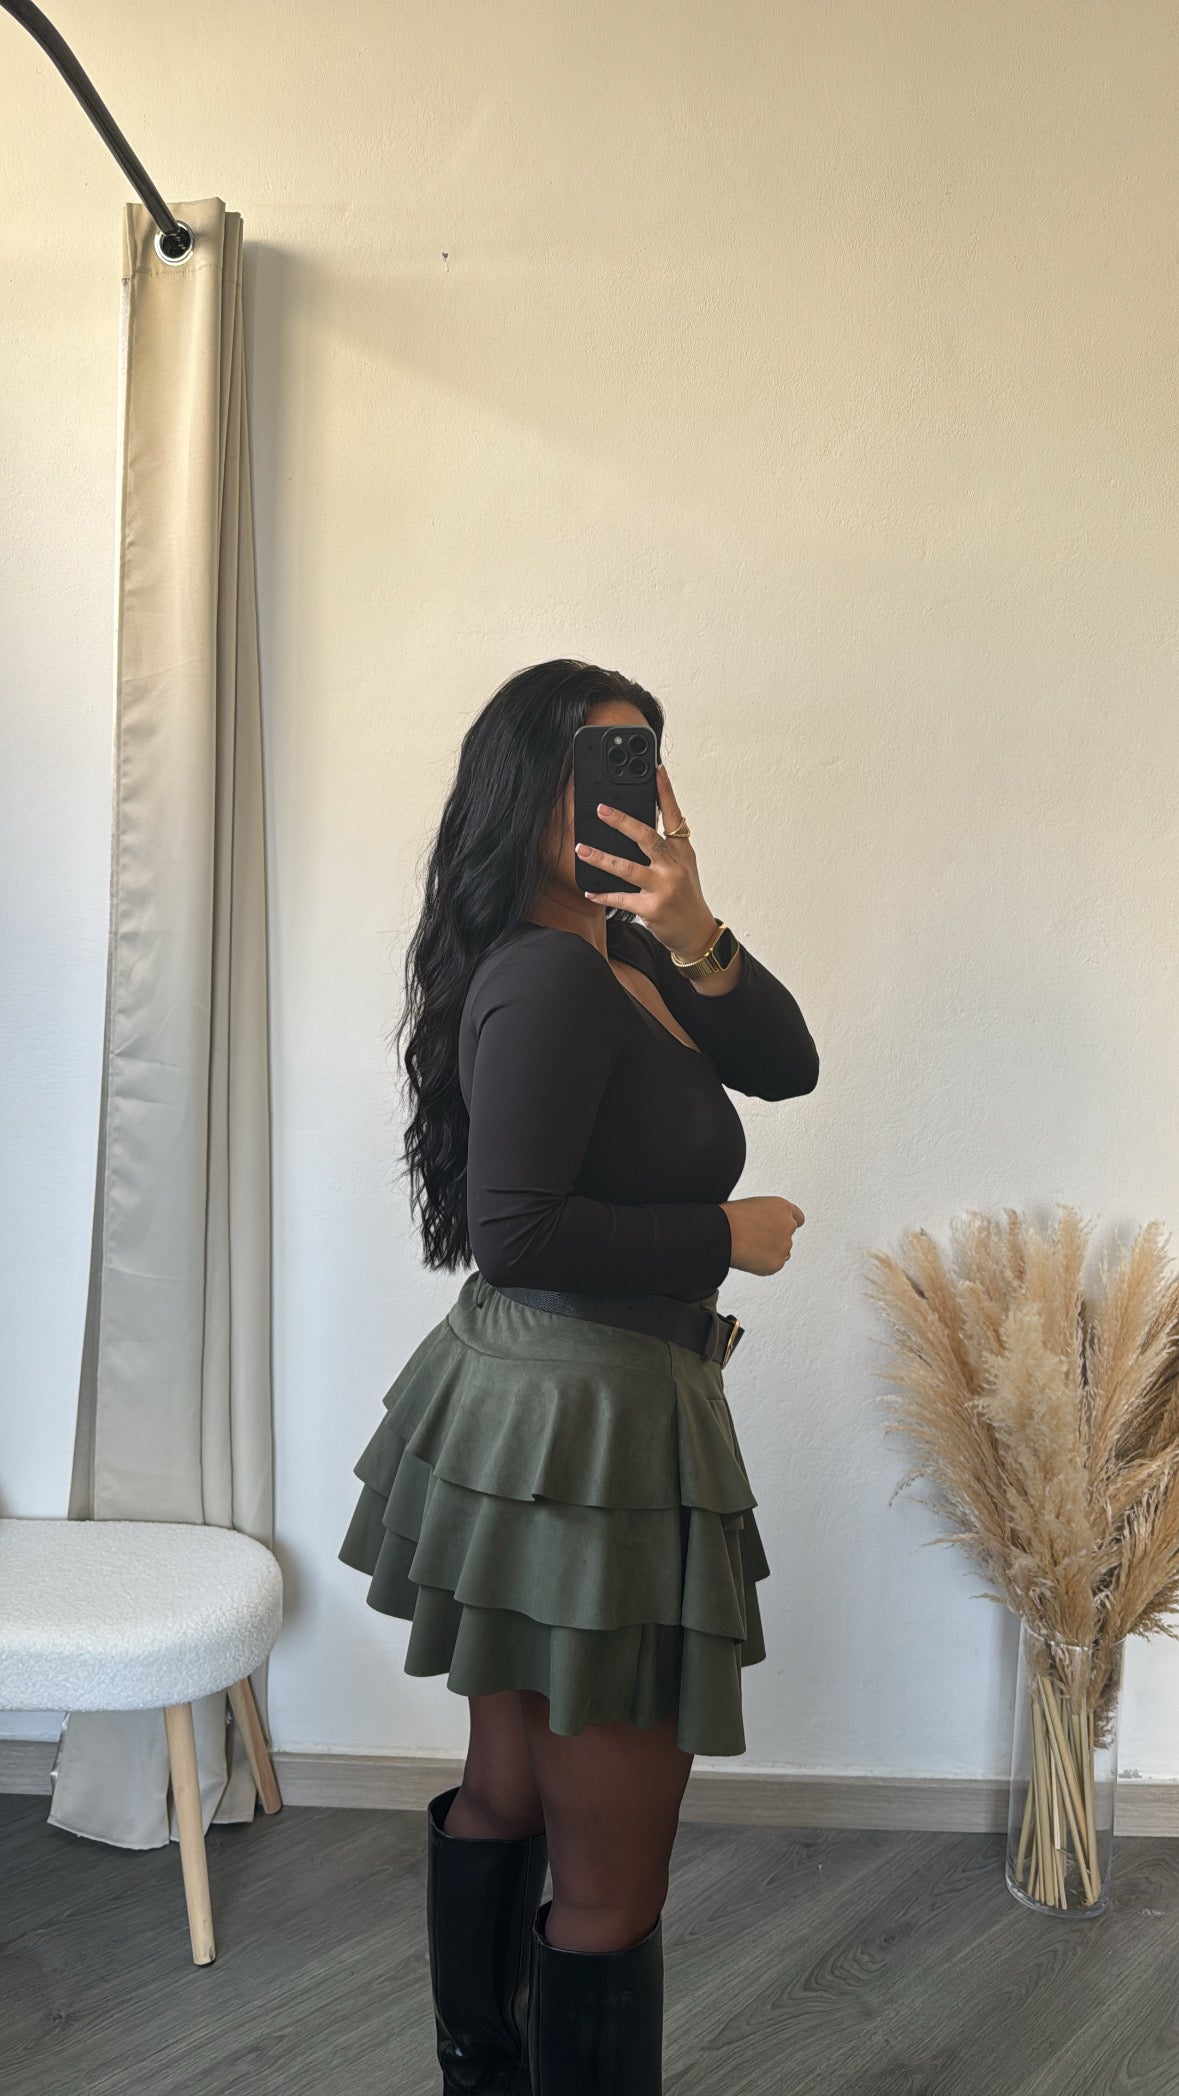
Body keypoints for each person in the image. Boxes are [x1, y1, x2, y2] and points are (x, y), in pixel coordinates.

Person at [339, 659, 819, 2093]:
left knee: (509, 1786)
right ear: (521, 787)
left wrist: (694, 927)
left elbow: (786, 1064)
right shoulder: (550, 972)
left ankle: (482, 2072)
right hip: (589, 1423)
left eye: (646, 760)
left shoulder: (621, 952)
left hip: (531, 1411)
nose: (633, 790)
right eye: (598, 762)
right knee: (611, 1882)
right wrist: (726, 1234)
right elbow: (519, 1231)